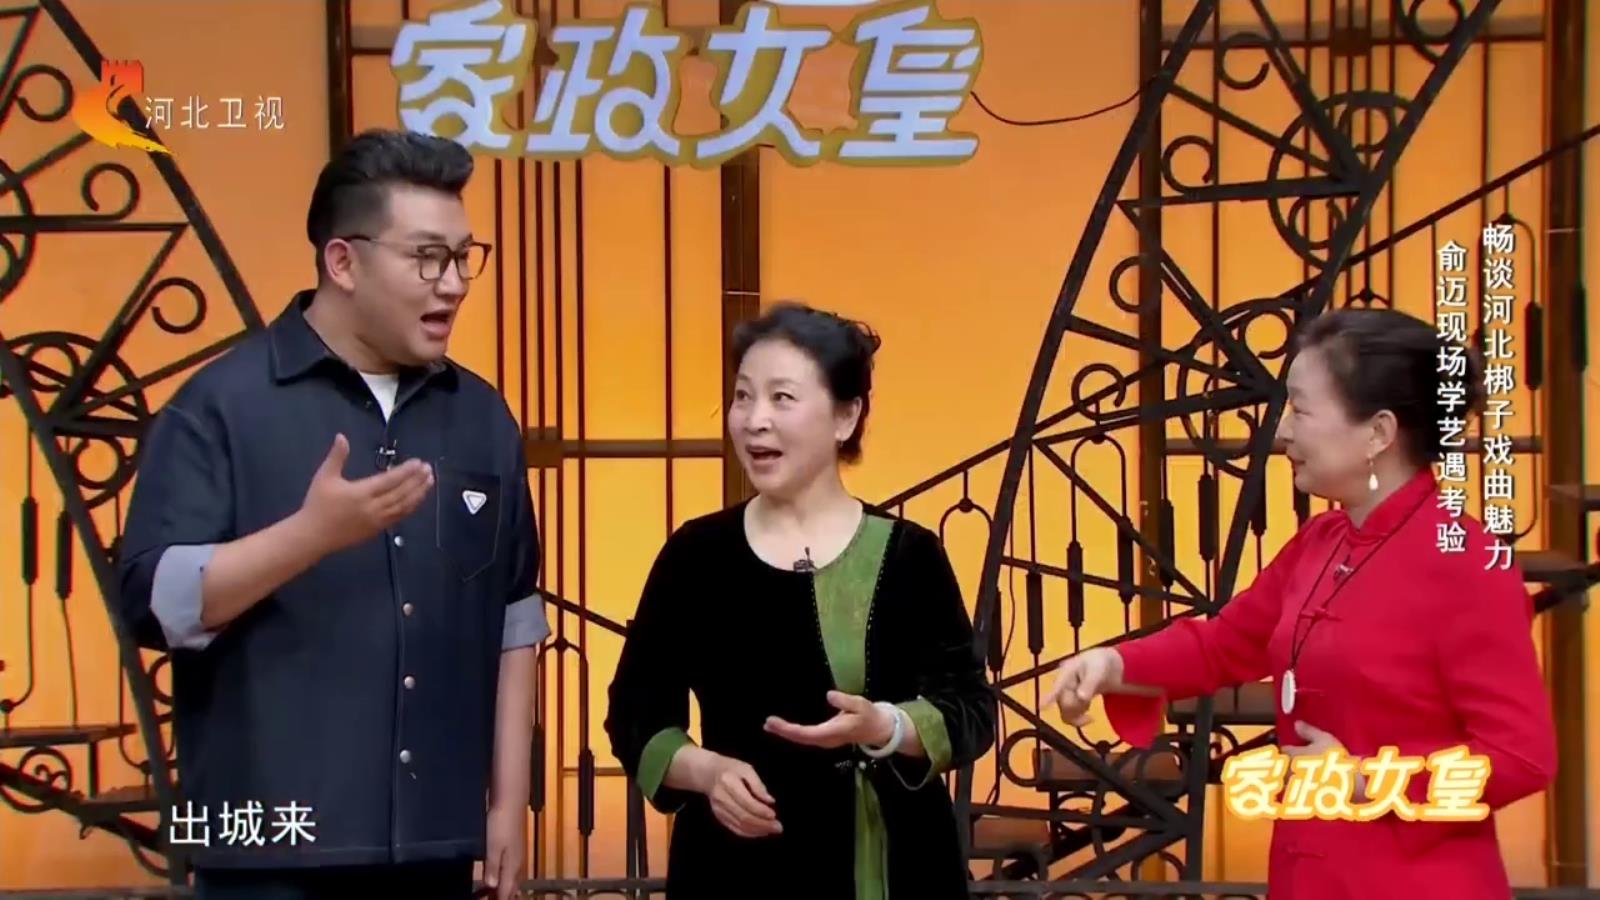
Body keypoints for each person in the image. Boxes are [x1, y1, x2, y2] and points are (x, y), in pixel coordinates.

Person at [116, 129, 548, 900]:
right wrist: (309, 536)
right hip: (269, 858)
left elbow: (514, 616)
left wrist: (507, 803)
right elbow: (155, 605)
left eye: (463, 257)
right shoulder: (222, 405)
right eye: (428, 259)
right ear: (343, 262)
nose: (453, 284)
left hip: (436, 853)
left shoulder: (481, 417)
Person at [1047, 307, 1557, 898]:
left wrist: (1366, 781)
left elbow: (1521, 757)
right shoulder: (1322, 540)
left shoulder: (1466, 563)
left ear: (1378, 433)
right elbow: (1226, 644)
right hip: (1308, 872)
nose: (1283, 432)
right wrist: (1113, 665)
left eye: (1301, 409)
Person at [603, 303, 995, 898]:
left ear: (845, 416)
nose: (754, 420)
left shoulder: (909, 555)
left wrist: (887, 726)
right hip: (735, 866)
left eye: (781, 398)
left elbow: (971, 709)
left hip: (894, 862)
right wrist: (707, 772)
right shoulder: (695, 555)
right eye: (743, 396)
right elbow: (635, 713)